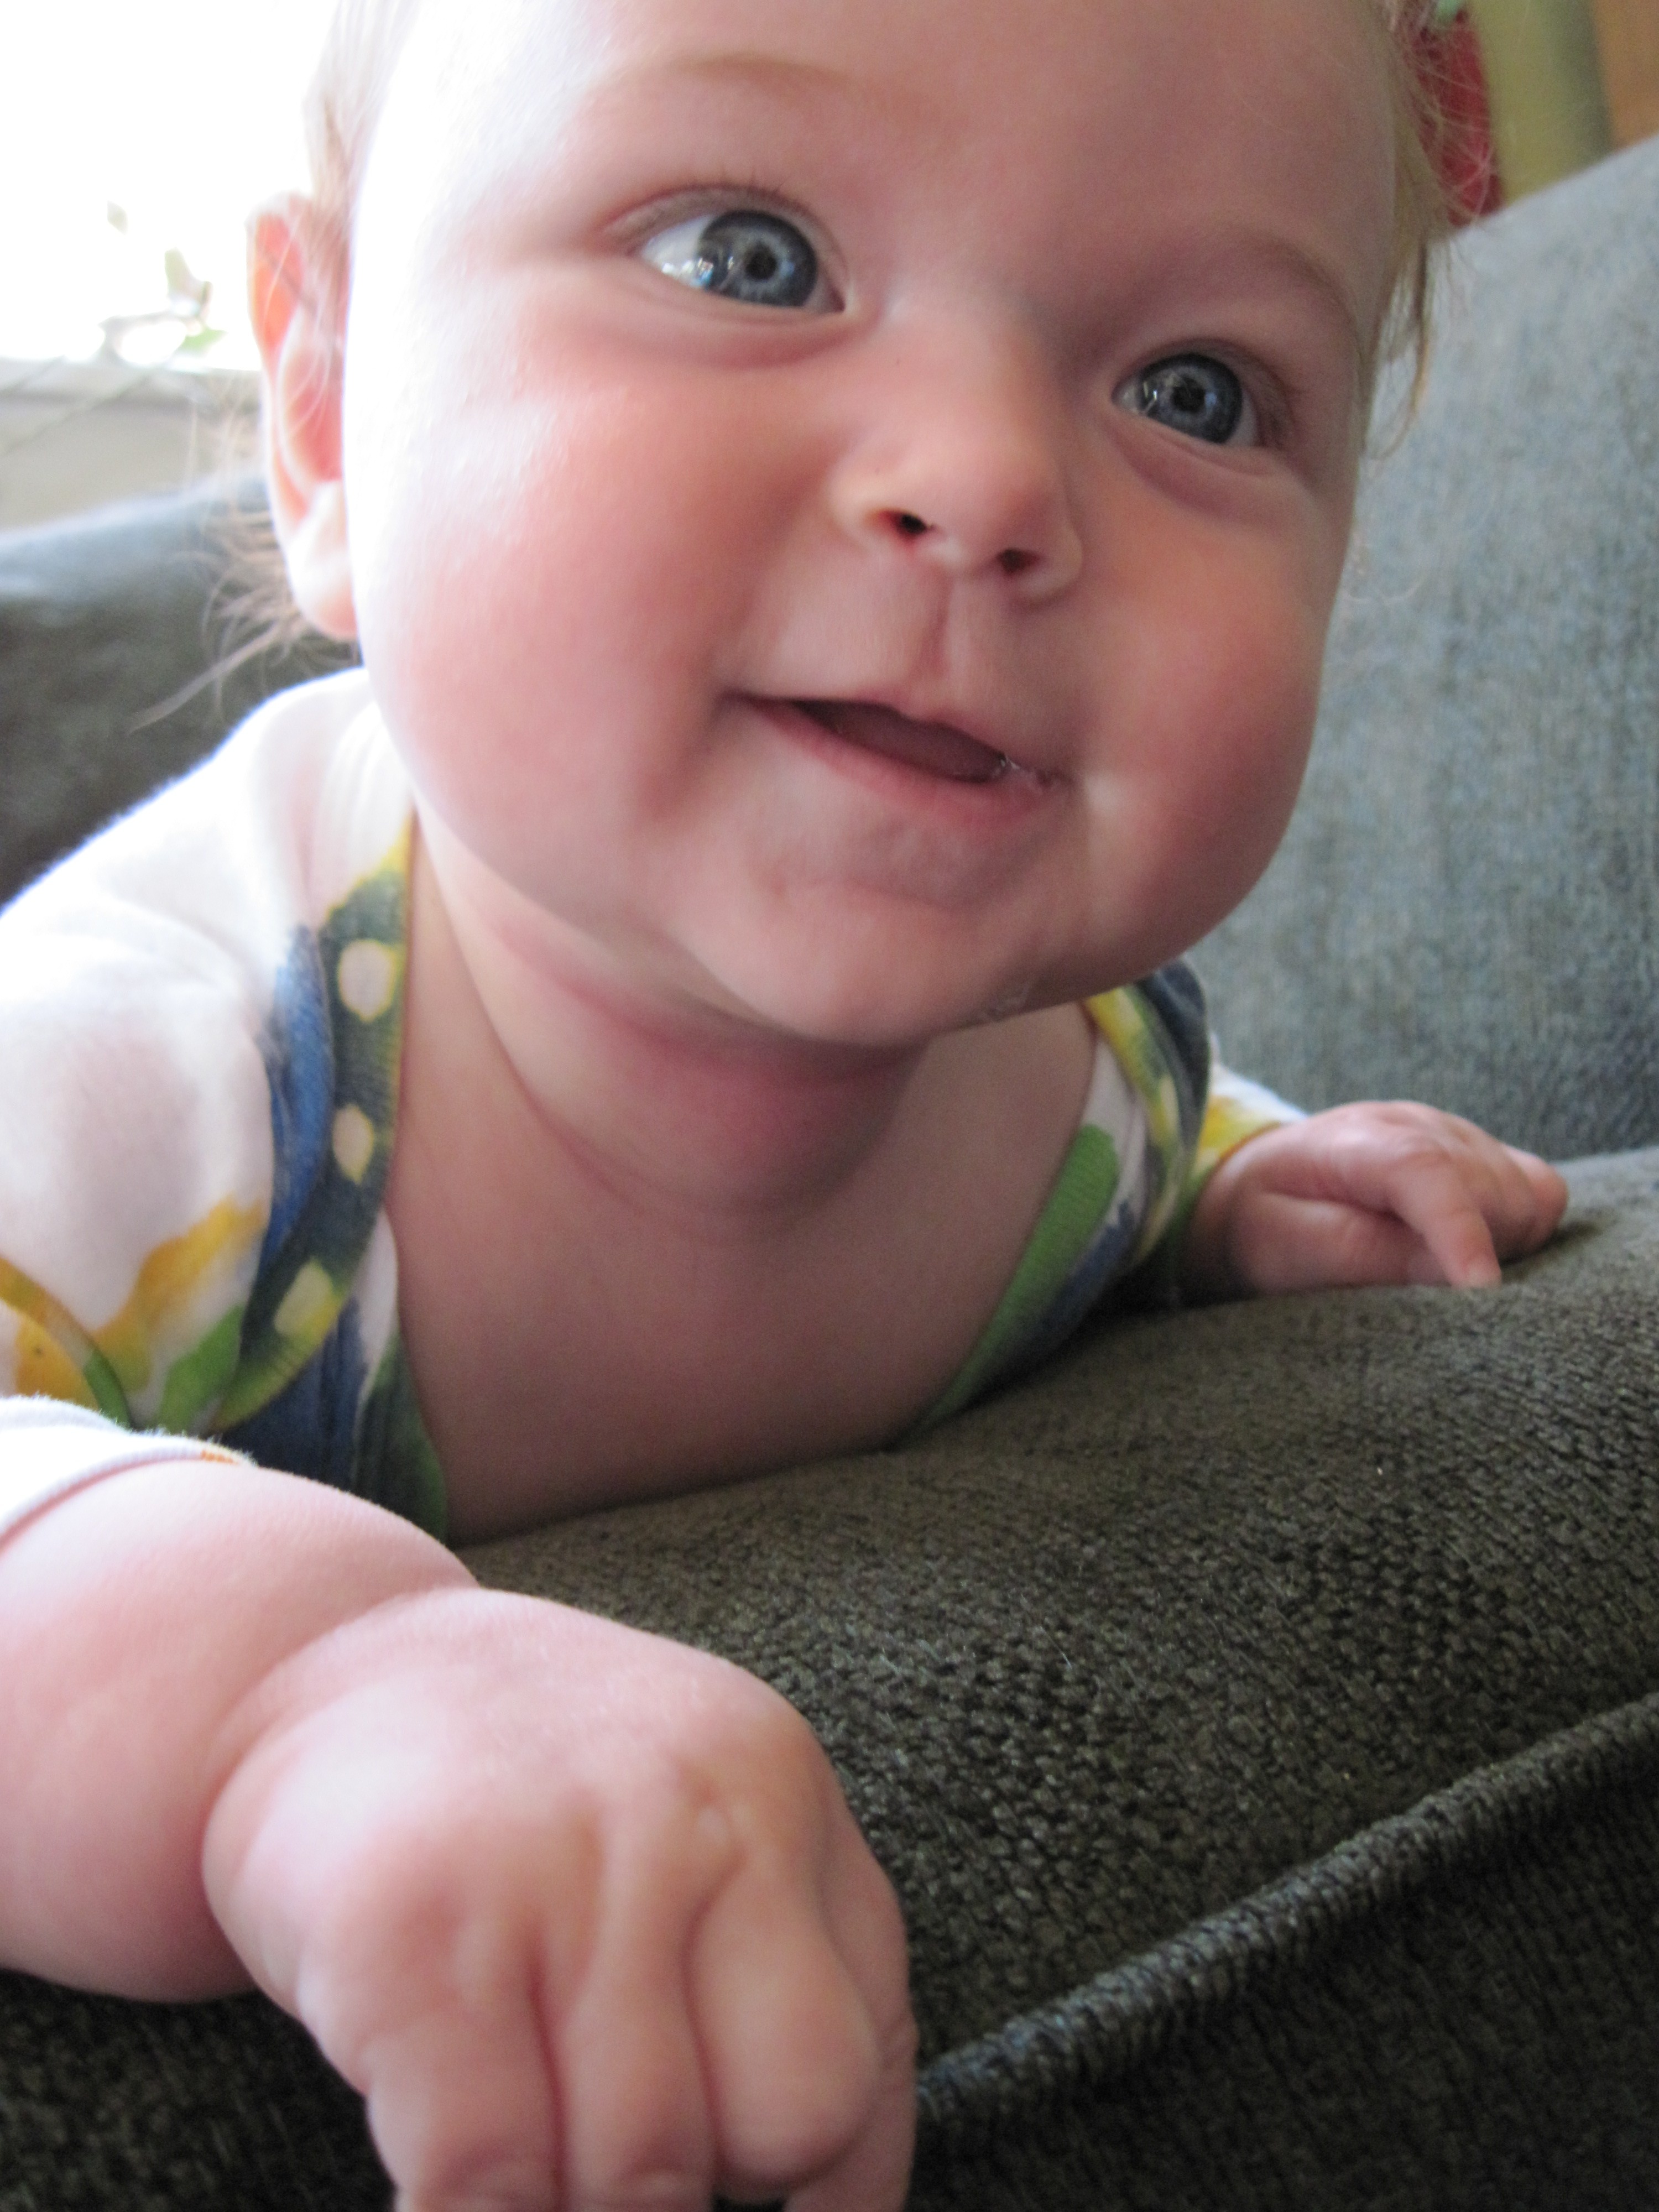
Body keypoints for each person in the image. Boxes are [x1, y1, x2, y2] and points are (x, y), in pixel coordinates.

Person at [0, 0, 1568, 2205]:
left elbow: (1147, 1142)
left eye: (1197, 391)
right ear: (329, 410)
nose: (987, 478)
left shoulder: (1102, 1083)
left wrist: (1244, 1187)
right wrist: (295, 1687)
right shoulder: (182, 1063)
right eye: (746, 257)